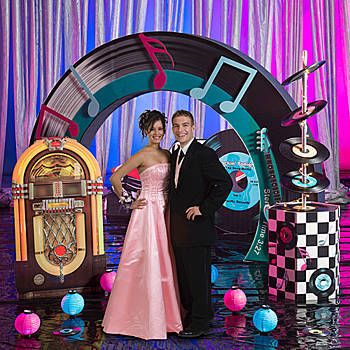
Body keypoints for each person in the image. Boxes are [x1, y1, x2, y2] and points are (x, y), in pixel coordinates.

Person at [102, 110, 183, 340]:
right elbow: (115, 179)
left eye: (160, 129)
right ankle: (138, 318)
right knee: (144, 261)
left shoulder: (169, 154)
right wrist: (129, 201)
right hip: (147, 211)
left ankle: (166, 317)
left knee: (166, 260)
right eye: (153, 129)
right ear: (146, 132)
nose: (157, 133)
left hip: (166, 210)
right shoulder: (142, 154)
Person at [169, 110, 233, 338]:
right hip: (179, 230)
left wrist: (203, 208)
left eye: (185, 125)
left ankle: (201, 323)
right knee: (185, 279)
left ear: (193, 127)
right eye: (176, 126)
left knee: (198, 280)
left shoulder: (203, 154)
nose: (180, 130)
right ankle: (190, 318)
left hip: (197, 229)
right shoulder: (175, 152)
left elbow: (225, 183)